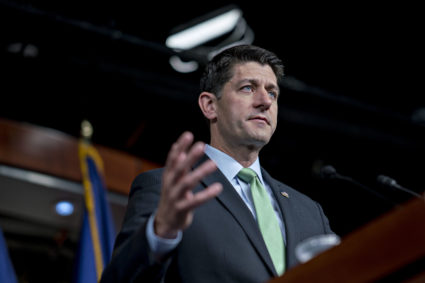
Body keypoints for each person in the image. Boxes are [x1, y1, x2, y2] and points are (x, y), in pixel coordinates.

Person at [100, 45, 333, 283]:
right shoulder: (167, 189)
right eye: (248, 88)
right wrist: (160, 233)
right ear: (210, 106)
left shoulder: (310, 213)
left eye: (272, 93)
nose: (265, 101)